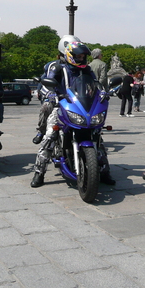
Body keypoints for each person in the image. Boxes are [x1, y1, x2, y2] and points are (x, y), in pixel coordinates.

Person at [30, 37, 115, 188]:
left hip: (81, 107)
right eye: (78, 56)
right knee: (50, 135)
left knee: (98, 138)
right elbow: (46, 84)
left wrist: (103, 93)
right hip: (62, 105)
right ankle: (39, 172)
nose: (81, 59)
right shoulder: (58, 68)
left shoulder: (87, 70)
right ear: (69, 55)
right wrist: (49, 94)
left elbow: (96, 85)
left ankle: (104, 171)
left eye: (83, 56)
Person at [32, 35, 80, 145]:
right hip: (57, 98)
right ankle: (41, 130)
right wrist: (51, 94)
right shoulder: (54, 65)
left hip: (75, 99)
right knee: (46, 107)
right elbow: (48, 81)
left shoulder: (81, 66)